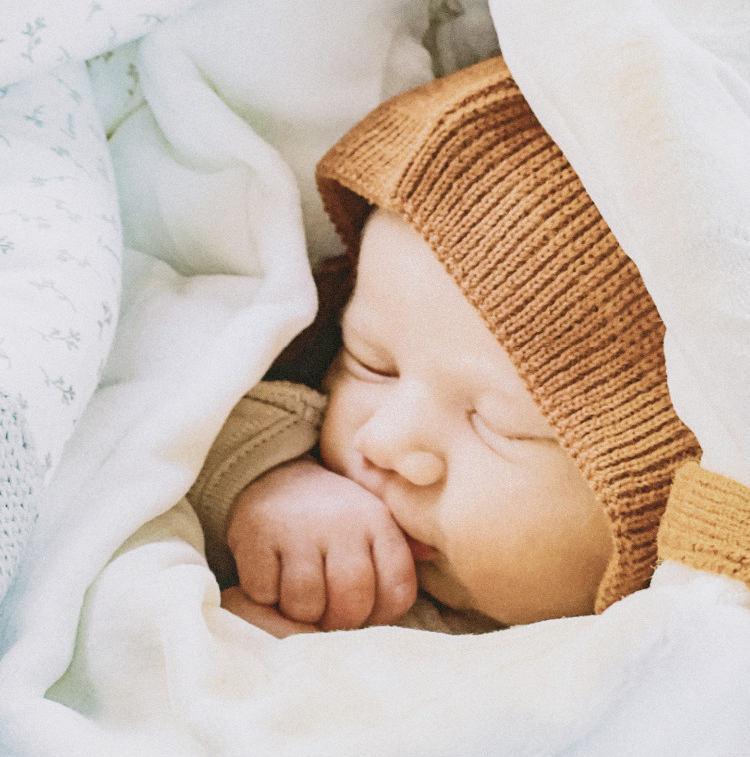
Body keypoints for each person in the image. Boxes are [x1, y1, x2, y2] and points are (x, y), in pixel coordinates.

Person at [187, 55, 701, 637]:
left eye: (497, 424)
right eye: (370, 363)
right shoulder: (284, 439)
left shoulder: (661, 656)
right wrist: (265, 482)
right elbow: (175, 428)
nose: (383, 441)